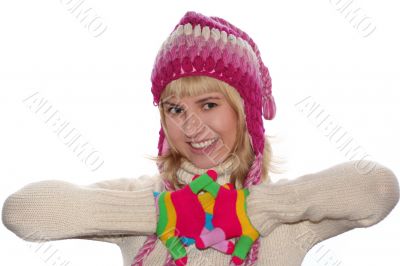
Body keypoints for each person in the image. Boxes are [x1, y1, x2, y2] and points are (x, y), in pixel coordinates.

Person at [2, 10, 399, 266]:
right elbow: (22, 211)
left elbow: (378, 187)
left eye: (209, 105)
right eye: (175, 110)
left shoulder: (288, 218)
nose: (191, 128)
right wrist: (164, 214)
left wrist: (250, 209)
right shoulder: (138, 198)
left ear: (245, 113)